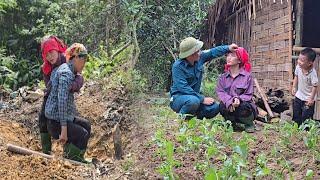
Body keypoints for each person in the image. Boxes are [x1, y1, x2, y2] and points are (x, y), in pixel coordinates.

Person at [169, 37, 238, 120]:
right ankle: (182, 118)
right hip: (179, 98)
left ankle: (193, 116)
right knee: (193, 101)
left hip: (194, 98)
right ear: (191, 54)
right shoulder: (177, 66)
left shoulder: (200, 57)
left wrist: (228, 48)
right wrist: (202, 99)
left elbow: (213, 52)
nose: (200, 52)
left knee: (214, 107)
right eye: (197, 51)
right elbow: (183, 88)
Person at [45, 43, 91, 163]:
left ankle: (69, 154)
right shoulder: (66, 74)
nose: (84, 63)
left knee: (86, 125)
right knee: (83, 134)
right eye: (83, 59)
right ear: (75, 57)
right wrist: (63, 130)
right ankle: (74, 161)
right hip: (55, 122)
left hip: (56, 118)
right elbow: (62, 102)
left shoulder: (66, 69)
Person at [39, 36, 84, 155]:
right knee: (42, 118)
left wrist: (72, 86)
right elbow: (48, 84)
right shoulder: (46, 67)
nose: (50, 57)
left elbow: (79, 76)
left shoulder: (67, 59)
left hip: (65, 93)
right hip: (51, 93)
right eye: (46, 55)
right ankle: (46, 152)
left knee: (68, 120)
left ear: (57, 50)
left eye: (52, 52)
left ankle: (68, 151)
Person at [216, 47, 257, 133]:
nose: (229, 57)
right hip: (230, 105)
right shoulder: (223, 78)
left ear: (239, 60)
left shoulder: (247, 77)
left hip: (242, 105)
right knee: (222, 106)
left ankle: (248, 123)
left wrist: (238, 99)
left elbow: (248, 94)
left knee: (244, 107)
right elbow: (221, 92)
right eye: (228, 55)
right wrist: (230, 101)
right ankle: (231, 123)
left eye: (233, 56)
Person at [292, 47, 318, 126]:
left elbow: (315, 86)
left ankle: (306, 133)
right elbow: (296, 76)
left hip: (308, 99)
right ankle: (295, 130)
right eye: (299, 59)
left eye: (302, 61)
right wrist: (294, 87)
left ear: (310, 63)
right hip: (299, 95)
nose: (299, 62)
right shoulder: (298, 67)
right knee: (296, 114)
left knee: (306, 118)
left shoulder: (312, 73)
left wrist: (311, 98)